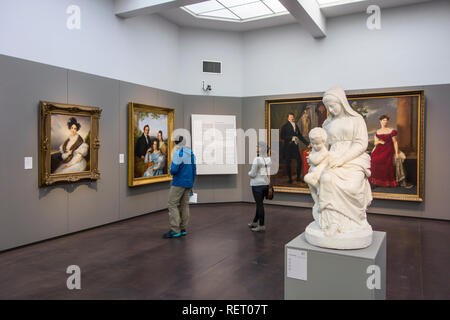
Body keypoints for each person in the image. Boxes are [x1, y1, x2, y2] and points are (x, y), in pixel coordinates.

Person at [312, 86, 372, 237]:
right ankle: (333, 222)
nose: (330, 110)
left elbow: (361, 143)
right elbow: (323, 146)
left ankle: (355, 221)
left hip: (354, 159)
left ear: (342, 102)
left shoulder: (356, 120)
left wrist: (343, 159)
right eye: (327, 107)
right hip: (332, 158)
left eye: (333, 105)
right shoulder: (327, 124)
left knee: (352, 186)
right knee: (326, 178)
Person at [163, 136, 197, 239]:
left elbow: (174, 170)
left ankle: (175, 230)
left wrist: (170, 169)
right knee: (184, 205)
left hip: (178, 183)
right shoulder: (191, 154)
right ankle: (183, 229)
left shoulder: (178, 154)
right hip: (189, 183)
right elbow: (194, 170)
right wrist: (191, 183)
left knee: (172, 203)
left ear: (176, 144)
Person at [369, 114, 399, 187]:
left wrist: (397, 153)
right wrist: (379, 142)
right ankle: (376, 180)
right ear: (380, 121)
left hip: (388, 148)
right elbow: (375, 143)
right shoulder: (378, 131)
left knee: (382, 160)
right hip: (379, 148)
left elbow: (395, 142)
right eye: (383, 120)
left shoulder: (391, 130)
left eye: (386, 120)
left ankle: (385, 182)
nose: (385, 122)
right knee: (372, 160)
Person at [248, 141, 272, 232]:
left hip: (257, 185)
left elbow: (252, 174)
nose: (256, 148)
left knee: (259, 205)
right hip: (265, 184)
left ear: (261, 148)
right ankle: (254, 222)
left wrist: (248, 173)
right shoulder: (269, 159)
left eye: (257, 146)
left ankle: (261, 225)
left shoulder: (256, 159)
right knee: (259, 204)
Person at [280, 113, 309, 184]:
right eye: (290, 117)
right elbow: (282, 136)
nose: (292, 118)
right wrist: (291, 137)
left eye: (293, 117)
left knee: (299, 161)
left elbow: (299, 136)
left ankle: (298, 178)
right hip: (288, 147)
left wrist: (307, 143)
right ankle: (290, 179)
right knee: (288, 163)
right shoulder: (285, 126)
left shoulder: (296, 125)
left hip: (295, 147)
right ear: (288, 118)